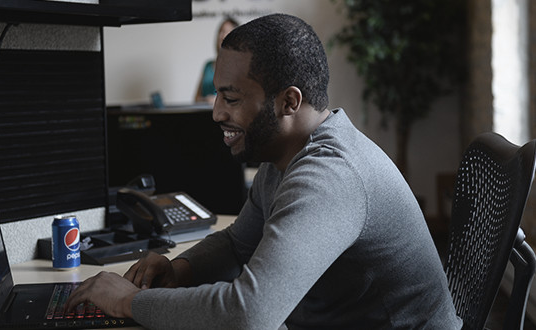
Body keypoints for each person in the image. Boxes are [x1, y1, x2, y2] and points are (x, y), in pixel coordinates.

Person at [66, 13, 462, 329]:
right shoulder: (286, 155)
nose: (218, 112)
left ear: (289, 102)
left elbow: (249, 314)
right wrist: (178, 270)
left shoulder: (330, 177)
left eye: (231, 98)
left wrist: (129, 301)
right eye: (218, 94)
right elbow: (239, 243)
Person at [194, 17, 239, 104]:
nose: (222, 35)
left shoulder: (241, 67)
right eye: (221, 31)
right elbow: (196, 99)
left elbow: (242, 99)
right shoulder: (208, 65)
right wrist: (206, 100)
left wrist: (219, 100)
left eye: (227, 32)